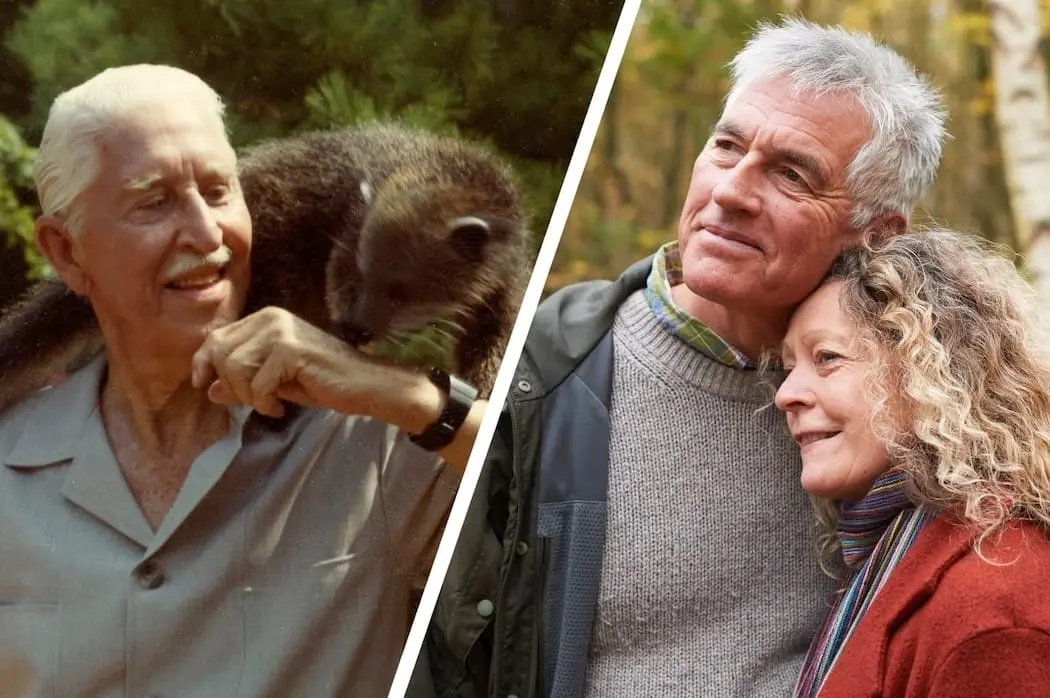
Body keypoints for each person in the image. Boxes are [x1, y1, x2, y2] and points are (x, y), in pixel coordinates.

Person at [412, 17, 949, 698]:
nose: (730, 192)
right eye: (726, 147)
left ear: (875, 234)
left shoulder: (920, 404)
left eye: (791, 174)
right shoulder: (550, 364)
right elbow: (443, 647)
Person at [0, 64, 491, 698]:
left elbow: (553, 491)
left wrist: (409, 396)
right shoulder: (12, 467)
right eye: (153, 202)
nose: (207, 235)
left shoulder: (380, 438)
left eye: (220, 192)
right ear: (67, 252)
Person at [776, 226, 1050, 697]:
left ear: (929, 369)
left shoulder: (992, 609)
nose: (785, 395)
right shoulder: (896, 556)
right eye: (787, 368)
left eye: (827, 358)